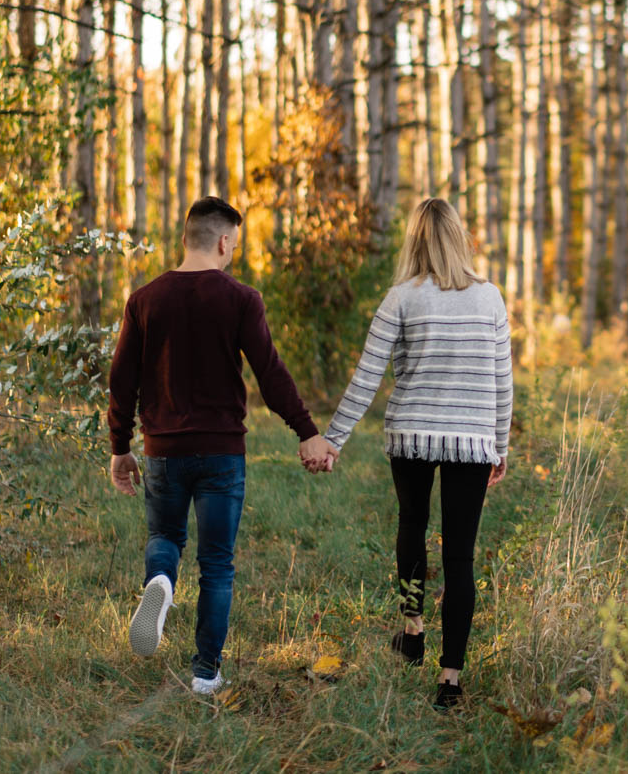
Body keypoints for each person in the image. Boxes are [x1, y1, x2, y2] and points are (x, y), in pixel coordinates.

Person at [106, 196, 335, 696]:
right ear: (225, 241)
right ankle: (205, 675)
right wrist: (307, 431)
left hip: (162, 450)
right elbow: (270, 373)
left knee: (164, 537)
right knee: (216, 565)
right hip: (221, 454)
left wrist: (119, 445)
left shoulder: (145, 299)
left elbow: (121, 380)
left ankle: (161, 584)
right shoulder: (240, 298)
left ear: (186, 237)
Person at [319, 197, 512, 710]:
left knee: (412, 526)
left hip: (412, 437)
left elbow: (366, 376)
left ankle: (413, 630)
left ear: (415, 240)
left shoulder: (400, 297)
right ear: (460, 238)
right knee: (460, 555)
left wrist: (334, 439)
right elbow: (502, 380)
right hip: (472, 441)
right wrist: (500, 444)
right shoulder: (490, 298)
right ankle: (450, 680)